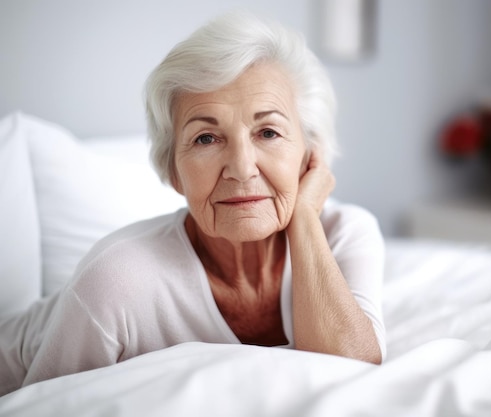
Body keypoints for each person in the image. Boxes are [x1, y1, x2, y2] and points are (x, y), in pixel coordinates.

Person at [0, 11, 386, 396]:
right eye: (206, 138)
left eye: (268, 132)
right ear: (173, 171)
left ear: (309, 157)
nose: (241, 168)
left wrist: (303, 216)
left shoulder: (345, 232)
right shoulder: (116, 281)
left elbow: (352, 372)